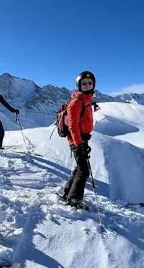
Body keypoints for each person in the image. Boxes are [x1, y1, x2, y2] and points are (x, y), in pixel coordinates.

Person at [61, 71, 97, 207]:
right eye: (84, 83)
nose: (87, 85)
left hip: (82, 139)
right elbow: (73, 126)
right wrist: (79, 144)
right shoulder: (76, 102)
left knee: (79, 167)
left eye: (90, 83)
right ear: (79, 85)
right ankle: (74, 199)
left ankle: (68, 194)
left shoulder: (86, 100)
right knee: (84, 170)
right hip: (77, 140)